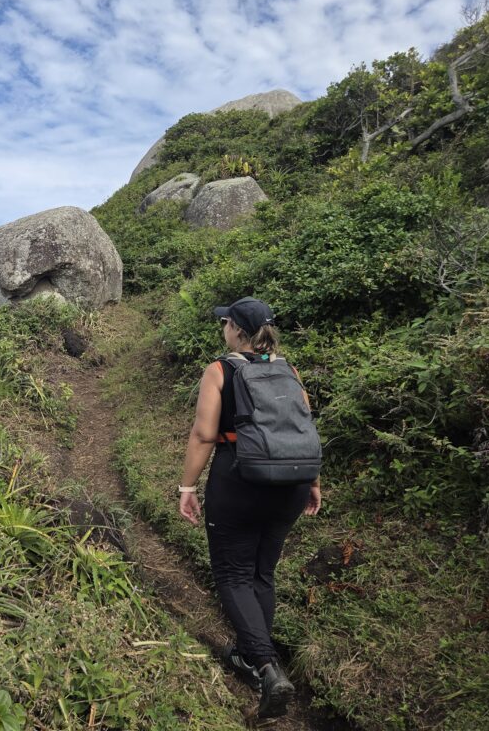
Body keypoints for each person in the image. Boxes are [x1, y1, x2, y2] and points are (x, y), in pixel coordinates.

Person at [178, 296, 321, 720]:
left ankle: (266, 667)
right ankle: (247, 653)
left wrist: (187, 486)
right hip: (291, 486)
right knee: (261, 571)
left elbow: (204, 435)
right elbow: (305, 429)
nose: (222, 328)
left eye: (225, 323)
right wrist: (312, 482)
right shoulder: (288, 370)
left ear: (238, 331)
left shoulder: (220, 369)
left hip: (239, 482)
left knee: (233, 573)